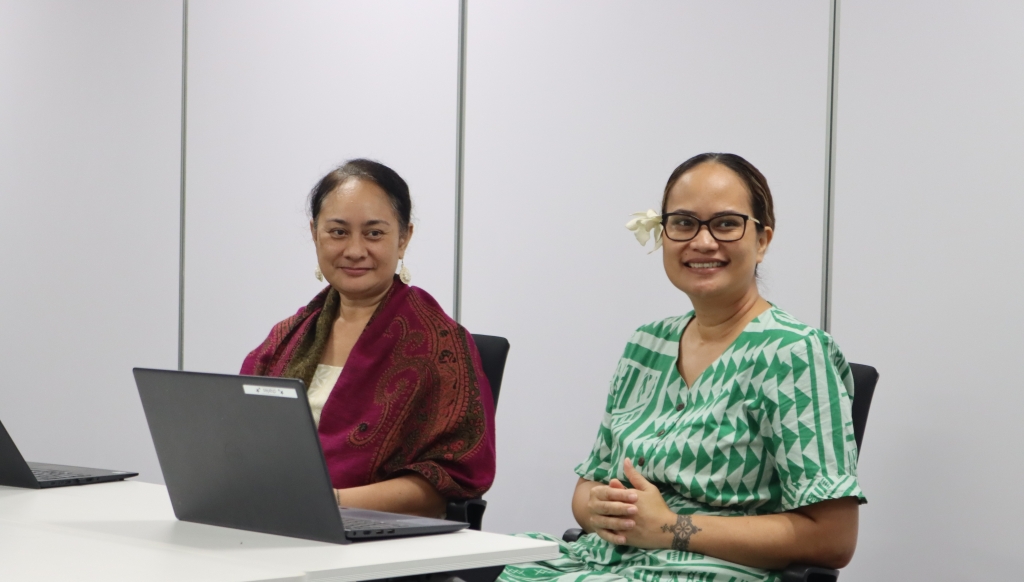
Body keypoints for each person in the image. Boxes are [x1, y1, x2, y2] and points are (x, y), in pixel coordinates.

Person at [500, 153, 864, 582]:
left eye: (726, 224)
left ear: (762, 240)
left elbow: (833, 539)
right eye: (685, 223)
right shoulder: (646, 344)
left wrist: (669, 528)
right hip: (602, 561)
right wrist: (601, 509)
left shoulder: (794, 354)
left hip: (705, 572)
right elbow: (588, 488)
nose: (703, 242)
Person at [241, 159, 496, 518]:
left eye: (374, 233)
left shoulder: (441, 345)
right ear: (315, 234)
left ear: (404, 237)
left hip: (377, 540)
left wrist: (331, 503)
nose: (355, 250)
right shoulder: (284, 339)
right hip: (271, 519)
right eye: (338, 232)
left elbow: (448, 478)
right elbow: (240, 438)